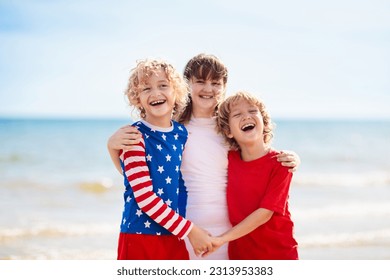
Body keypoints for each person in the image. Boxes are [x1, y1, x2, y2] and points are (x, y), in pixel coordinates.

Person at [107, 54, 300, 259]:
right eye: (200, 81)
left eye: (215, 83)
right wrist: (111, 146)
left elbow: (256, 155)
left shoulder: (229, 128)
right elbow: (145, 176)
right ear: (186, 85)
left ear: (224, 87)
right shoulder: (175, 127)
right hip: (184, 229)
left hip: (227, 233)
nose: (208, 89)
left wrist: (292, 157)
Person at [113, 58, 213, 260]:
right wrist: (191, 230)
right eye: (146, 89)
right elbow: (144, 198)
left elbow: (179, 183)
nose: (155, 93)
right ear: (136, 98)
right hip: (139, 235)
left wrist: (188, 226)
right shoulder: (134, 137)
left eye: (163, 86)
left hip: (172, 233)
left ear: (176, 92)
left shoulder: (180, 134)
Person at [207, 91, 298, 259]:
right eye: (237, 114)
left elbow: (265, 213)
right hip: (241, 255)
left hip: (278, 255)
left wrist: (221, 239)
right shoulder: (229, 159)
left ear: (264, 121)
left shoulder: (281, 163)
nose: (246, 117)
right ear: (228, 131)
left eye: (252, 111)